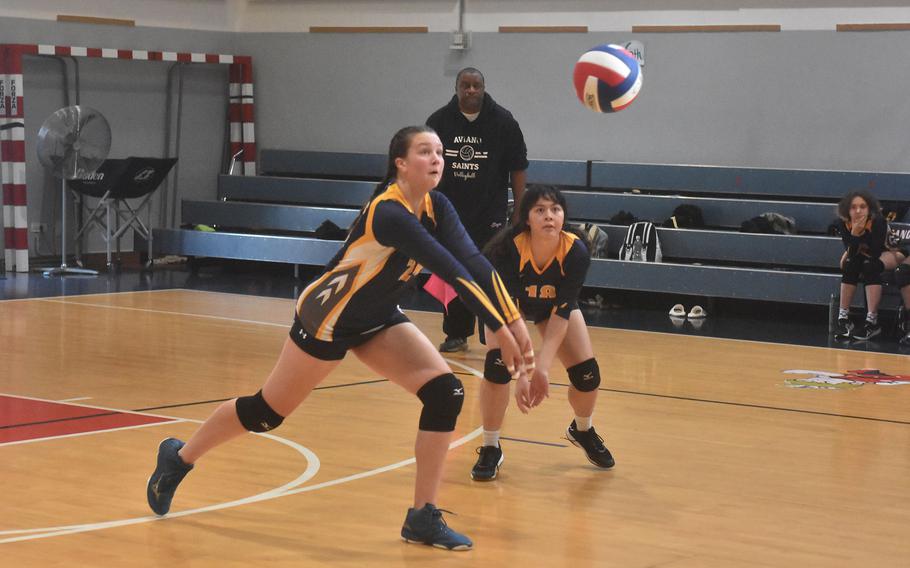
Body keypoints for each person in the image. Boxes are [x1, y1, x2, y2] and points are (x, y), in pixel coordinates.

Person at [145, 125, 534, 551]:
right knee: (266, 412)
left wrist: (513, 322)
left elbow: (474, 262)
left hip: (378, 315)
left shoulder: (437, 205)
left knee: (446, 393)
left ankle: (422, 516)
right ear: (400, 164)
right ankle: (179, 457)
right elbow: (451, 271)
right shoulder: (389, 213)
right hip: (327, 318)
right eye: (425, 151)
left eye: (440, 152)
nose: (437, 159)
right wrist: (499, 327)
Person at [469, 185, 615, 482]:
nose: (549, 216)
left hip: (552, 309)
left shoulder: (576, 250)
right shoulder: (508, 249)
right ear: (526, 219)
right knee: (498, 368)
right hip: (506, 311)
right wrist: (524, 372)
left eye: (555, 210)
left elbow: (562, 314)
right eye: (540, 210)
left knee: (588, 375)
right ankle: (490, 446)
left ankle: (582, 429)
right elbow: (510, 317)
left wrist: (543, 369)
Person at [427, 67, 529, 353]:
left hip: (490, 214)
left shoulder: (503, 121)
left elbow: (518, 168)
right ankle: (456, 333)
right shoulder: (438, 121)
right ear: (457, 88)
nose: (471, 90)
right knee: (453, 272)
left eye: (476, 85)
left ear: (484, 87)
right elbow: (426, 165)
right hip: (449, 213)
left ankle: (492, 336)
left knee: (488, 274)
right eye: (465, 85)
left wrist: (519, 211)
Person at [833, 190, 904, 341]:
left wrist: (858, 233)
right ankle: (843, 317)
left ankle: (872, 322)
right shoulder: (843, 222)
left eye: (862, 206)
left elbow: (876, 249)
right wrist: (854, 234)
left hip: (891, 250)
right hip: (864, 251)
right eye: (853, 207)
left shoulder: (877, 221)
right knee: (850, 264)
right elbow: (851, 252)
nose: (858, 210)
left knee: (869, 265)